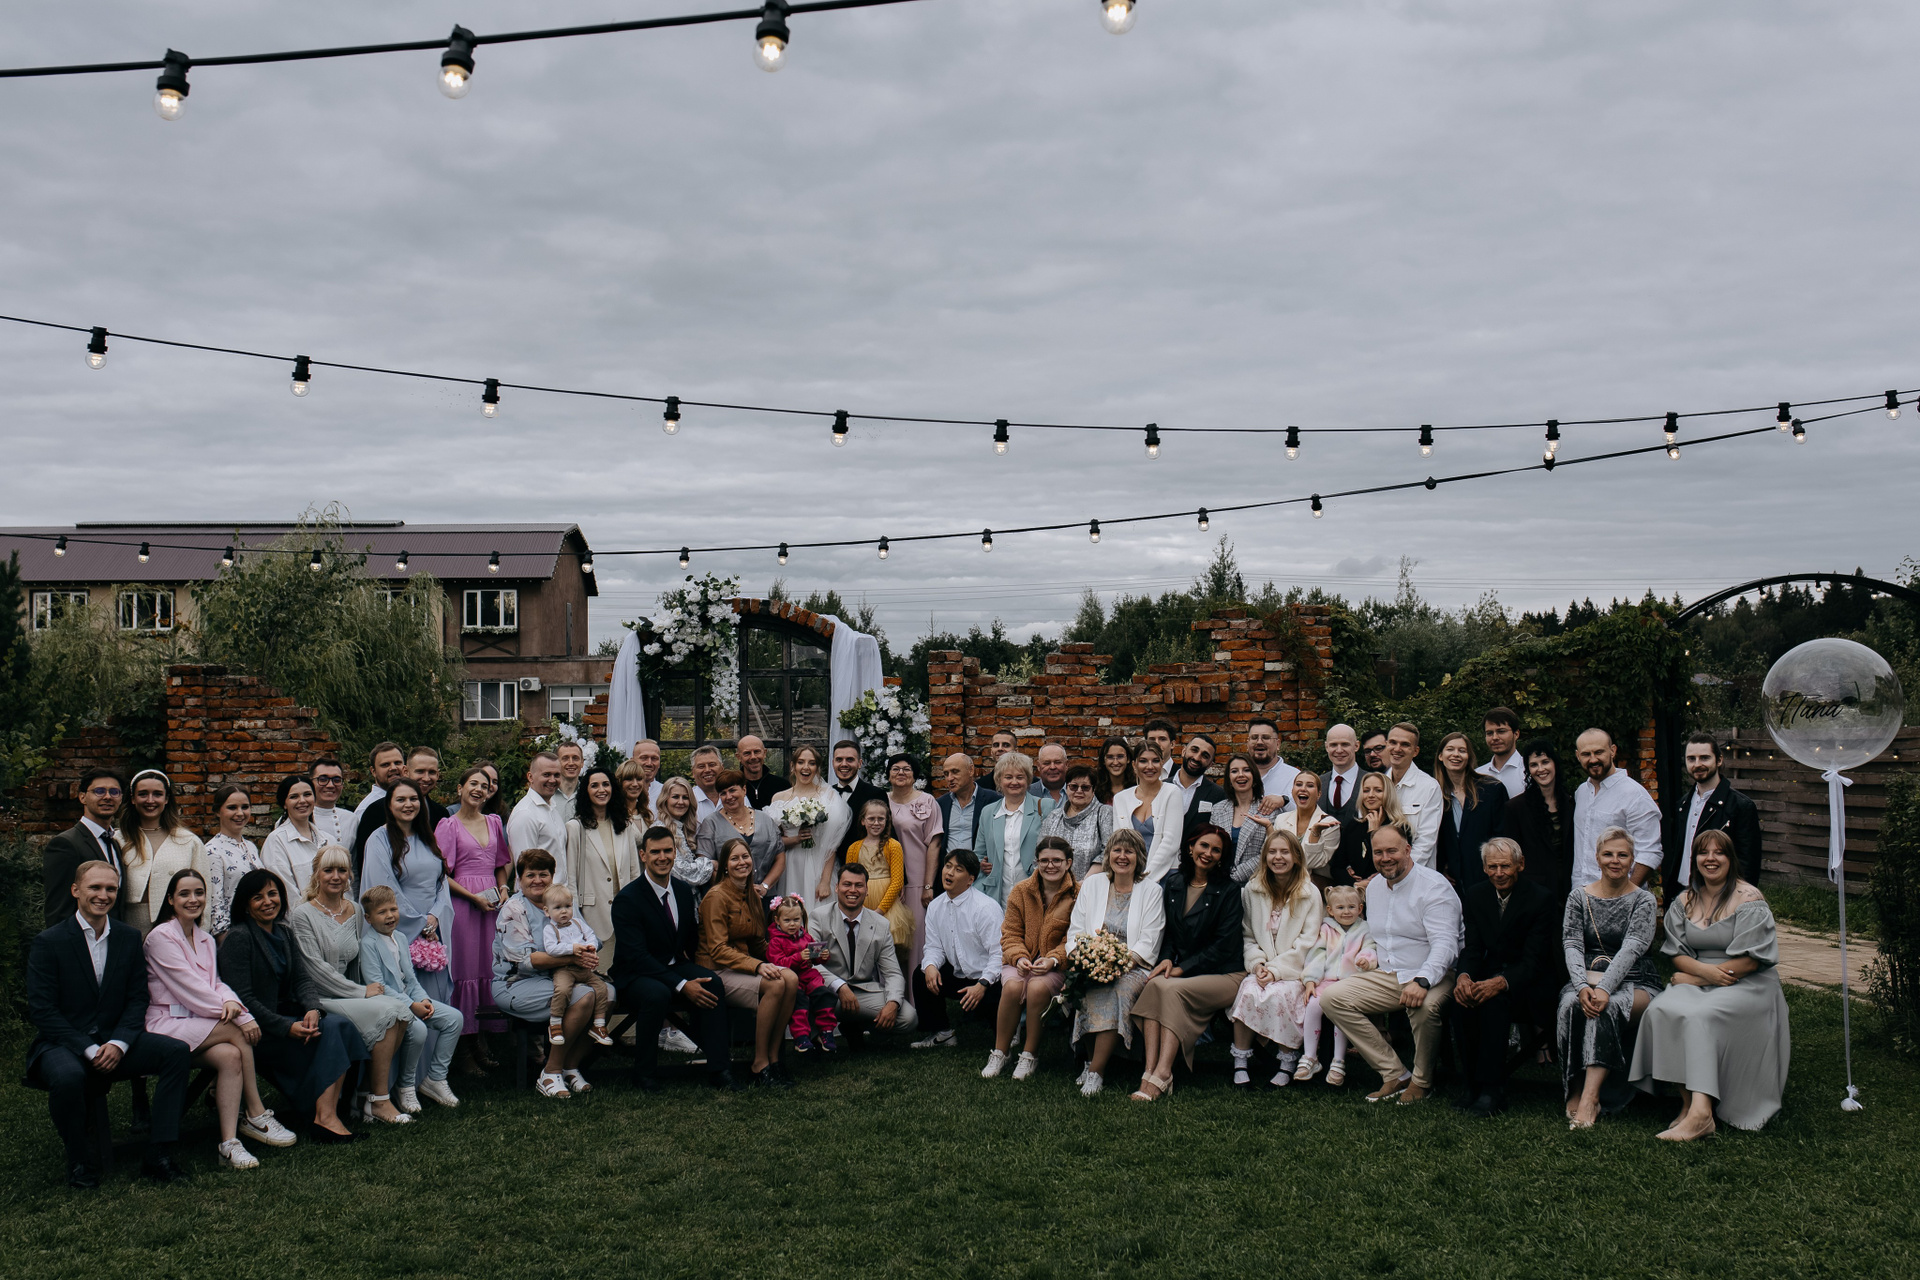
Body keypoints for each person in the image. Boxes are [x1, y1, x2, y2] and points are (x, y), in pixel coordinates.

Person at [26, 861, 191, 1186]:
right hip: (64, 1042)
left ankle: (158, 1154)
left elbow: (137, 998)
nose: (103, 895)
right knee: (69, 1077)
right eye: (95, 887)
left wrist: (119, 1042)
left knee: (176, 1052)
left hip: (116, 1038)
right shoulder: (49, 941)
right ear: (75, 890)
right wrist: (88, 1049)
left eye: (111, 889)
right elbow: (43, 1011)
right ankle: (80, 1160)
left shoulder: (128, 938)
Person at [1632, 829, 1789, 1137]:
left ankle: (1703, 1114)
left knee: (1701, 1016)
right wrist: (1703, 975)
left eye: (1719, 852)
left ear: (1731, 859)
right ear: (1695, 860)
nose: (1711, 859)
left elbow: (1751, 961)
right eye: (1704, 852)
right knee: (1661, 1009)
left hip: (1747, 982)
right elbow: (1678, 954)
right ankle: (1688, 1104)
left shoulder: (1749, 899)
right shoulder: (1684, 900)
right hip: (1704, 977)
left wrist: (1696, 977)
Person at [143, 868, 297, 1169]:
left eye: (199, 893)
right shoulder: (160, 937)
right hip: (166, 1024)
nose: (193, 899)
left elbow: (215, 983)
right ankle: (256, 1113)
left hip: (202, 1023)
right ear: (171, 899)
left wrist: (231, 1001)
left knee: (230, 1056)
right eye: (184, 894)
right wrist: (243, 1017)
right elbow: (190, 989)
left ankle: (229, 1144)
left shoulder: (205, 938)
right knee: (236, 1032)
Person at [218, 868, 367, 1142]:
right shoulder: (239, 938)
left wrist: (312, 1009)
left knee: (342, 1026)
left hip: (291, 1014)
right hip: (259, 1029)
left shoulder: (284, 933)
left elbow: (302, 979)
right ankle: (325, 1119)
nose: (268, 902)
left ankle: (328, 1112)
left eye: (272, 894)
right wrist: (286, 1028)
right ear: (246, 905)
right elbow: (243, 998)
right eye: (258, 897)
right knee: (330, 1032)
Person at [1321, 821, 1460, 1105]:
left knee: (1425, 1007)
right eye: (1378, 852)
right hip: (1388, 973)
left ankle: (1422, 1082)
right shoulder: (1374, 888)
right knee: (1333, 998)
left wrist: (1422, 981)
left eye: (1392, 851)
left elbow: (1446, 945)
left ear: (1408, 850)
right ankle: (1395, 1073)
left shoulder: (1434, 887)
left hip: (1434, 972)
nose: (1385, 858)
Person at [286, 846, 412, 1125]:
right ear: (316, 874)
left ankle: (365, 1094)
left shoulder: (354, 909)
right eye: (328, 870)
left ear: (349, 875)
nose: (336, 876)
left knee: (401, 1012)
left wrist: (362, 992)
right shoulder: (302, 914)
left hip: (350, 994)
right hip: (320, 998)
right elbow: (313, 968)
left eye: (342, 870)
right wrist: (360, 993)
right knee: (389, 1012)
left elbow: (354, 963)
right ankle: (380, 1101)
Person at [609, 829, 737, 1091]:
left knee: (712, 983)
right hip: (636, 973)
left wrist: (703, 968)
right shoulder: (627, 899)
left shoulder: (682, 890)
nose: (662, 857)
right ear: (643, 855)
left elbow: (690, 940)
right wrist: (682, 984)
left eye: (668, 851)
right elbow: (637, 956)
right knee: (657, 994)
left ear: (675, 853)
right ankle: (644, 1074)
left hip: (673, 965)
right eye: (655, 852)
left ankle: (719, 1069)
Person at [1130, 824, 1244, 1101]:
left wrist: (1183, 968)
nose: (1208, 853)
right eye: (1203, 845)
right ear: (1191, 847)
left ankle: (1164, 1072)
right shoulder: (1175, 883)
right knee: (1154, 984)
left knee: (1171, 989)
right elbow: (1169, 931)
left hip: (1226, 974)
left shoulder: (1229, 890)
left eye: (1216, 850)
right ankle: (1149, 1070)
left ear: (1222, 857)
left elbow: (1224, 945)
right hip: (1189, 970)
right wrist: (1167, 959)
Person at [1558, 825, 1662, 1128]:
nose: (1615, 861)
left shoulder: (1643, 900)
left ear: (1632, 860)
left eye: (1622, 855)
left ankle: (1591, 1098)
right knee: (1569, 1005)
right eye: (1608, 854)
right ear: (1597, 858)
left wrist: (1604, 988)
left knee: (1606, 1009)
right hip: (1585, 978)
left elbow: (1633, 947)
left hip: (1637, 980)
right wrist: (1581, 986)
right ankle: (1574, 1088)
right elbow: (1572, 943)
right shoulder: (1578, 897)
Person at [1450, 837, 1557, 1117]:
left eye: (1505, 866)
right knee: (1461, 1001)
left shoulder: (1540, 898)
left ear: (1520, 864)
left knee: (1494, 1004)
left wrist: (1501, 982)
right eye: (1492, 867)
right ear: (1484, 868)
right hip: (1491, 971)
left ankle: (1492, 1089)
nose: (1499, 873)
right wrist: (1464, 977)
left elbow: (1535, 959)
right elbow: (1473, 948)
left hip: (1531, 980)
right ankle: (1471, 1084)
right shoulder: (1476, 895)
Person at [360, 779, 457, 1086]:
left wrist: (435, 917)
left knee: (432, 1004)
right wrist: (418, 923)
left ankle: (431, 1078)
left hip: (432, 931)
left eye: (413, 798)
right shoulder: (379, 840)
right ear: (389, 805)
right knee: (405, 1005)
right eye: (400, 799)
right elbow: (384, 889)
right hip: (402, 931)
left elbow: (442, 882)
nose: (408, 804)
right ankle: (401, 1083)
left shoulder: (428, 837)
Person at [493, 851, 602, 1099]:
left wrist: (587, 951)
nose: (537, 880)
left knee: (610, 993)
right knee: (584, 996)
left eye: (544, 874)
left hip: (562, 977)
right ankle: (550, 1072)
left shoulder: (561, 901)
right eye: (530, 875)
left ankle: (570, 1066)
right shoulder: (514, 909)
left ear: (552, 876)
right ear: (519, 879)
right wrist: (574, 956)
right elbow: (526, 960)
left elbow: (591, 937)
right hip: (516, 983)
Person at [1065, 830, 1165, 1097]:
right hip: (1093, 960)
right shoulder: (1093, 884)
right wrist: (1085, 958)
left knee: (1116, 991)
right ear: (1108, 855)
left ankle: (1097, 1071)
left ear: (1139, 857)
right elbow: (1076, 929)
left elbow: (1150, 938)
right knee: (1084, 987)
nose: (1122, 856)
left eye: (1129, 851)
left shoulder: (1152, 890)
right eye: (1117, 850)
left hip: (1134, 966)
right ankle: (1088, 1062)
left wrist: (1117, 965)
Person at [698, 838, 799, 1088]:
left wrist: (786, 956)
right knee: (775, 984)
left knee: (791, 978)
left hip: (742, 965)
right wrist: (757, 966)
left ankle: (775, 1058)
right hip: (717, 969)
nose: (741, 862)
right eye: (734, 858)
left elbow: (757, 942)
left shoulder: (751, 893)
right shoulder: (716, 897)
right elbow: (718, 949)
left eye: (745, 857)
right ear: (724, 865)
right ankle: (759, 1064)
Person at [1227, 828, 1323, 1089]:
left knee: (1282, 995)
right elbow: (1248, 935)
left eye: (1285, 852)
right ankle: (1240, 1060)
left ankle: (1286, 1061)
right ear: (1264, 856)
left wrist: (1277, 971)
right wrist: (1258, 964)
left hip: (1293, 969)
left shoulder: (1309, 893)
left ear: (1296, 857)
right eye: (1272, 852)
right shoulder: (1253, 890)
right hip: (1262, 966)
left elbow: (1308, 941)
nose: (1278, 857)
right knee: (1248, 990)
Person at [434, 766, 512, 1073]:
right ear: (460, 788)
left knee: (487, 967)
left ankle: (483, 1040)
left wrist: (503, 889)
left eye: (485, 785)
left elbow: (502, 863)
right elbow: (441, 874)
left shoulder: (494, 822)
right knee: (465, 970)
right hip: (463, 905)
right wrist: (472, 897)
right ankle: (464, 1050)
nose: (479, 789)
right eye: (473, 783)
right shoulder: (448, 825)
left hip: (491, 905)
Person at [359, 884, 466, 1109]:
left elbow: (411, 979)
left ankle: (435, 1078)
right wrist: (411, 1005)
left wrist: (423, 1000)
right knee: (418, 1030)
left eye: (393, 909)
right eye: (382, 912)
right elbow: (378, 986)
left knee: (454, 1019)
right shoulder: (368, 944)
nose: (390, 916)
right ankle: (405, 1086)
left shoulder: (400, 937)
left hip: (411, 999)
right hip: (387, 1004)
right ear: (368, 918)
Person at [984, 836, 1077, 1080]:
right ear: (1036, 862)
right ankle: (1001, 1052)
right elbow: (1010, 933)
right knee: (1013, 986)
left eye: (1057, 860)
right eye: (1044, 860)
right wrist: (1019, 958)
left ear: (1068, 863)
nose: (1050, 866)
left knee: (1037, 988)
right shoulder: (1021, 891)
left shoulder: (1078, 894)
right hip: (1022, 961)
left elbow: (1075, 937)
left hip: (1057, 965)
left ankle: (1029, 1054)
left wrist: (1053, 959)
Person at [812, 862, 918, 1041]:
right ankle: (819, 1036)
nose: (852, 890)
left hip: (864, 992)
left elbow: (893, 973)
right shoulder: (818, 917)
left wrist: (893, 1003)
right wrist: (840, 986)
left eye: (859, 885)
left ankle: (859, 1025)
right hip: (829, 991)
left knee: (908, 1018)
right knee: (804, 1001)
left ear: (867, 890)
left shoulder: (880, 924)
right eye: (847, 884)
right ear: (837, 887)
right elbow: (812, 963)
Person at [911, 849, 1004, 1049]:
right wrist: (930, 966)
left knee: (1001, 1031)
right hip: (958, 975)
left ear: (970, 880)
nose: (950, 873)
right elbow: (934, 946)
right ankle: (942, 1033)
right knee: (921, 975)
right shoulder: (935, 906)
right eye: (948, 866)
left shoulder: (986, 908)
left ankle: (1006, 1033)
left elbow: (999, 955)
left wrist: (982, 984)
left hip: (989, 980)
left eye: (958, 869)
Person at [1294, 884, 1375, 1086]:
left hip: (1351, 982)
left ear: (1360, 908)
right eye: (1340, 908)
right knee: (1313, 1005)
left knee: (1340, 1010)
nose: (1346, 912)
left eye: (1351, 907)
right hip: (1327, 981)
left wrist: (1366, 960)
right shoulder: (1326, 929)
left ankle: (1338, 1060)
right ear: (1330, 910)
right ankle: (1310, 1056)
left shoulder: (1364, 929)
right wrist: (1311, 980)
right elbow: (1317, 955)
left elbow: (1370, 948)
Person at [1665, 733, 1764, 893]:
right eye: (1691, 759)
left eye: (1704, 758)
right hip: (1682, 892)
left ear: (1719, 760)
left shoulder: (1741, 806)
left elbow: (1748, 864)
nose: (1697, 764)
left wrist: (1738, 899)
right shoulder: (1683, 804)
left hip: (1719, 894)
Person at [112, 768, 208, 934]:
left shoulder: (189, 841)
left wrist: (201, 933)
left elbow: (205, 891)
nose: (150, 800)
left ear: (166, 799)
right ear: (133, 799)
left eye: (157, 794)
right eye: (143, 794)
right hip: (128, 927)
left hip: (176, 928)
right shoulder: (118, 839)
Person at [565, 764, 640, 967]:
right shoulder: (576, 828)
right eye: (595, 785)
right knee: (599, 974)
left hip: (625, 916)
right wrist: (575, 919)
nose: (601, 790)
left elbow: (634, 873)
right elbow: (571, 878)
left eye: (606, 784)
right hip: (592, 917)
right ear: (586, 791)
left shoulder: (624, 825)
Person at [1572, 728, 1662, 888]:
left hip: (1618, 894)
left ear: (1612, 751)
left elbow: (1649, 852)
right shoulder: (1581, 792)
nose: (1593, 759)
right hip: (1581, 893)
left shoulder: (1634, 795)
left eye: (1599, 752)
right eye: (1586, 754)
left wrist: (1627, 894)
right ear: (1578, 756)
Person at [43, 768, 127, 928]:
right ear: (82, 797)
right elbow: (58, 909)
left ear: (121, 798)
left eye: (114, 792)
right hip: (80, 938)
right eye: (99, 791)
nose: (108, 797)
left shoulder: (115, 843)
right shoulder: (65, 844)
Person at [833, 799, 916, 960]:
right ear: (863, 821)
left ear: (887, 821)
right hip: (862, 902)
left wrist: (880, 910)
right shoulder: (854, 848)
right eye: (871, 819)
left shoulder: (893, 846)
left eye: (880, 819)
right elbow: (849, 878)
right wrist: (860, 909)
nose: (876, 823)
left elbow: (897, 881)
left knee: (886, 949)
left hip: (887, 906)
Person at [536, 885, 614, 1048]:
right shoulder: (550, 929)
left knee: (601, 988)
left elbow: (591, 936)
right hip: (565, 970)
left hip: (584, 970)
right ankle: (555, 1024)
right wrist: (572, 949)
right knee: (563, 989)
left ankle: (599, 1025)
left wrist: (591, 946)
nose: (564, 911)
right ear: (547, 911)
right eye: (558, 908)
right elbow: (551, 949)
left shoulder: (578, 923)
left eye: (568, 906)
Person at [888, 753, 945, 972]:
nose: (901, 773)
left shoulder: (927, 801)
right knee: (889, 939)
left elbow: (934, 844)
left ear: (914, 775)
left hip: (917, 881)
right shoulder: (881, 800)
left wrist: (928, 885)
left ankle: (916, 990)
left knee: (916, 940)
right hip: (887, 880)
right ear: (888, 774)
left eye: (906, 769)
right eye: (895, 768)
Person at [772, 744, 849, 902]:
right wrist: (796, 839)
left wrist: (825, 881)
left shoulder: (829, 796)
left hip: (818, 865)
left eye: (812, 763)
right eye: (801, 762)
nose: (806, 767)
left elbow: (831, 845)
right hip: (790, 865)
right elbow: (774, 841)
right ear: (793, 766)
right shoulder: (779, 798)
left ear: (817, 768)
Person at [765, 894, 838, 1053]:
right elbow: (777, 962)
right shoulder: (775, 941)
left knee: (824, 994)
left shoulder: (805, 936)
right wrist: (798, 957)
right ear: (777, 920)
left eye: (796, 920)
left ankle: (826, 1031)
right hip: (790, 980)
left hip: (809, 976)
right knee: (799, 1001)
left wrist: (822, 956)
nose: (792, 924)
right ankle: (801, 1037)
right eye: (787, 920)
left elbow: (814, 958)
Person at [1507, 739, 1576, 903]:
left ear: (1555, 764)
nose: (1540, 769)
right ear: (1528, 770)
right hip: (1534, 892)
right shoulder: (1515, 808)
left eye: (1545, 762)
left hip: (1570, 887)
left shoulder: (1572, 803)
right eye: (1534, 765)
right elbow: (1512, 856)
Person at [1435, 731, 1507, 887]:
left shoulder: (1491, 789)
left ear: (1469, 757)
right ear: (1440, 756)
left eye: (1462, 750)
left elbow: (1502, 835)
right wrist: (1440, 869)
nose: (1456, 754)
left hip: (1488, 878)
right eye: (1450, 749)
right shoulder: (1435, 793)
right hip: (1452, 882)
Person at [697, 769, 785, 894]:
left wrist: (765, 886)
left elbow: (780, 857)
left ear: (744, 790)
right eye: (723, 793)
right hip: (728, 897)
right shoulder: (711, 823)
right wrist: (733, 891)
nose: (729, 797)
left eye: (732, 790)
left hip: (764, 896)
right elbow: (705, 865)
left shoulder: (765, 819)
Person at [1111, 741, 1185, 884]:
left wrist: (1146, 880)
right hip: (1129, 877)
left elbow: (1171, 843)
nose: (1150, 766)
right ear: (1134, 765)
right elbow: (1119, 843)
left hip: (1166, 875)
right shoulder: (1120, 799)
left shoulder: (1172, 792)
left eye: (1155, 761)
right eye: (1143, 761)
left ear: (1162, 763)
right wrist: (1131, 878)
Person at [976, 751, 1044, 904]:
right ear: (999, 780)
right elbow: (978, 853)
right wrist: (981, 863)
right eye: (1008, 777)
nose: (1014, 782)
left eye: (1020, 777)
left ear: (1028, 780)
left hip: (1035, 892)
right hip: (997, 894)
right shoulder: (988, 812)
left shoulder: (1044, 807)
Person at [204, 784, 264, 937]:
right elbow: (215, 901)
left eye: (245, 807)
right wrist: (224, 938)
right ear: (218, 811)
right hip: (234, 932)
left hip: (258, 927)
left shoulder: (250, 846)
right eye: (232, 808)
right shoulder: (212, 851)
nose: (240, 813)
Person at [1209, 752, 1279, 883]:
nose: (1240, 775)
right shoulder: (1218, 809)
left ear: (1254, 777)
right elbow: (1212, 846)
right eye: (1234, 771)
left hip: (1257, 883)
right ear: (1229, 779)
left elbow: (1268, 852)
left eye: (1246, 770)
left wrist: (1234, 877)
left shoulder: (1269, 810)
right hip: (1220, 882)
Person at [1329, 771, 1406, 889]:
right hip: (1355, 893)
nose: (1370, 795)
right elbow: (1337, 867)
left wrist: (1373, 834)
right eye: (1366, 791)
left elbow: (1375, 866)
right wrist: (1354, 883)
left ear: (1388, 794)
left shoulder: (1400, 828)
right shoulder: (1353, 826)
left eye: (1378, 790)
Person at [1038, 764, 1113, 882]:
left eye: (1085, 787)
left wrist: (1084, 883)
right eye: (1073, 786)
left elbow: (1108, 852)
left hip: (1091, 886)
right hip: (1054, 886)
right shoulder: (1054, 816)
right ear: (1066, 788)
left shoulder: (1104, 813)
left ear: (1093, 790)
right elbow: (1040, 852)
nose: (1079, 791)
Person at [1383, 722, 1442, 870]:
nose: (1397, 749)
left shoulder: (1429, 787)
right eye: (1393, 742)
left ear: (1415, 751)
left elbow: (1426, 840)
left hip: (1416, 872)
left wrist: (1402, 870)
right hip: (1379, 872)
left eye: (1405, 744)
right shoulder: (1377, 785)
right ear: (1386, 745)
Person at [507, 752, 570, 886]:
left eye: (557, 775)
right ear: (530, 777)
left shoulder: (551, 808)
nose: (552, 780)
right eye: (546, 775)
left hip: (557, 894)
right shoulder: (525, 814)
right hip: (539, 895)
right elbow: (526, 869)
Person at [261, 773, 323, 900]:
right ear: (284, 804)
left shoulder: (328, 840)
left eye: (307, 794)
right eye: (294, 797)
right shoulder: (276, 841)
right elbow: (287, 894)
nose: (302, 801)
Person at [1278, 771, 1343, 881]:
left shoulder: (1330, 824)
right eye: (1299, 784)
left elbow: (1312, 862)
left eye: (1310, 786)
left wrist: (1315, 833)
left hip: (1312, 885)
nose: (1303, 789)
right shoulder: (1281, 819)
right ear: (1292, 791)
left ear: (1319, 794)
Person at [936, 750, 999, 859]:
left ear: (971, 770)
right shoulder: (941, 804)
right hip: (948, 867)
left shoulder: (993, 800)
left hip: (980, 866)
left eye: (955, 772)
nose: (950, 778)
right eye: (946, 774)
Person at [657, 776, 713, 889]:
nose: (681, 802)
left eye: (685, 797)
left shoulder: (684, 828)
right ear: (665, 800)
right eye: (675, 797)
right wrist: (710, 864)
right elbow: (680, 872)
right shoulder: (660, 830)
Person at [1168, 734, 1227, 829]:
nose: (1196, 758)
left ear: (1210, 764)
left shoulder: (1218, 795)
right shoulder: (1161, 786)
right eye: (1194, 750)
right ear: (1183, 751)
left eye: (1205, 756)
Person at [1245, 717, 1299, 810]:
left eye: (1266, 737)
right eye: (1254, 738)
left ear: (1278, 744)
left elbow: (1305, 813)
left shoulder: (1294, 777)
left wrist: (1284, 801)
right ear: (1247, 743)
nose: (1259, 742)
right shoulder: (1238, 776)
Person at [828, 739, 888, 822]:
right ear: (833, 763)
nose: (844, 764)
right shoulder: (826, 794)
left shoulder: (876, 794)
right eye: (839, 759)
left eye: (850, 759)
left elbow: (886, 827)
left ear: (859, 763)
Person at [1476, 707, 1527, 799]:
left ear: (1516, 734)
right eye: (1489, 733)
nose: (1495, 737)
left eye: (1501, 731)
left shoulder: (1528, 771)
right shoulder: (1478, 775)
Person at [309, 755, 356, 850]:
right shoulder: (297, 819)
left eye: (337, 780)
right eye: (323, 780)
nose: (330, 785)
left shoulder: (351, 819)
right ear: (310, 783)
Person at [1320, 724, 1363, 822]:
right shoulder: (1318, 783)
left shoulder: (1371, 781)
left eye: (1345, 744)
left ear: (1356, 746)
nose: (1339, 750)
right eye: (1333, 745)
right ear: (1327, 747)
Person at [353, 742, 406, 820]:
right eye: (386, 764)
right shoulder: (366, 810)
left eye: (397, 763)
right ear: (373, 771)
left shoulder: (414, 802)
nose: (393, 768)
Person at [736, 734, 790, 809]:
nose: (753, 757)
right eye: (747, 753)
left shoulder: (782, 786)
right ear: (739, 757)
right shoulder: (733, 787)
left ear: (764, 753)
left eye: (757, 752)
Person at [1094, 736, 1137, 807]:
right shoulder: (1095, 789)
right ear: (1103, 760)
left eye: (1120, 756)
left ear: (1128, 759)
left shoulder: (1138, 787)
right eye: (1110, 757)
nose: (1115, 762)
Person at [616, 757, 658, 829]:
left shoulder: (647, 815)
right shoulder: (613, 815)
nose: (635, 784)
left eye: (639, 779)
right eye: (629, 779)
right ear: (619, 782)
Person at [628, 739, 666, 812]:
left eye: (654, 758)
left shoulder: (666, 792)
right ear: (632, 761)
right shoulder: (622, 791)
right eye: (644, 758)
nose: (649, 763)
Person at [690, 745, 726, 822]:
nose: (707, 770)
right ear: (693, 772)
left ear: (722, 768)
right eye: (701, 766)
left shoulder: (737, 797)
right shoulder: (687, 800)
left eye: (712, 765)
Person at [552, 740, 585, 822]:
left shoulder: (588, 794)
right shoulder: (547, 796)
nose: (571, 763)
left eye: (575, 758)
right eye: (565, 758)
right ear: (556, 763)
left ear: (582, 763)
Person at [1034, 742, 1071, 809]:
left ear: (1066, 765)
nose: (1052, 767)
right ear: (1038, 766)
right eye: (1047, 763)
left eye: (1057, 762)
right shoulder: (1027, 793)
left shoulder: (1079, 792)